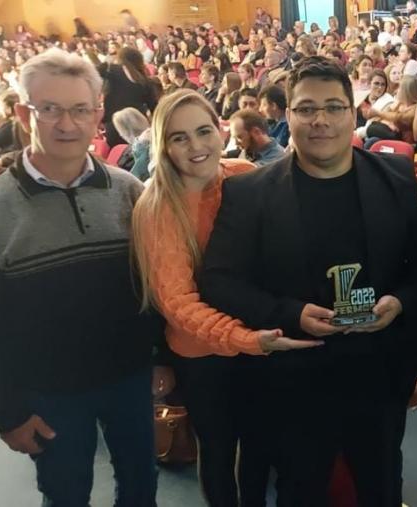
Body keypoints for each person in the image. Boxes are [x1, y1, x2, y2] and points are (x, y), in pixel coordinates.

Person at [199, 55, 417, 507]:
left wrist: (401, 303)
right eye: (306, 108)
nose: (319, 120)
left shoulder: (398, 180)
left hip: (378, 374)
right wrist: (290, 314)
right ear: (287, 116)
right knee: (299, 491)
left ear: (353, 113)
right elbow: (219, 281)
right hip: (292, 380)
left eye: (333, 107)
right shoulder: (248, 193)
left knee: (382, 487)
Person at [0, 48, 167, 506]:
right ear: (23, 114)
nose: (67, 124)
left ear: (98, 115)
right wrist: (7, 412)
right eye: (49, 109)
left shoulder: (129, 192)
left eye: (80, 110)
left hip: (129, 377)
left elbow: (153, 287)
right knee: (66, 494)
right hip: (48, 392)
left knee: (141, 485)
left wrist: (162, 358)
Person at [131, 89, 316, 506]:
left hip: (259, 338)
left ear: (220, 130)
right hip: (205, 355)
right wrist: (245, 339)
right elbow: (178, 303)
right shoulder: (157, 206)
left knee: (260, 441)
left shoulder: (243, 174)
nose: (196, 146)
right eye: (179, 137)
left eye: (203, 131)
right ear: (164, 145)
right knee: (218, 451)